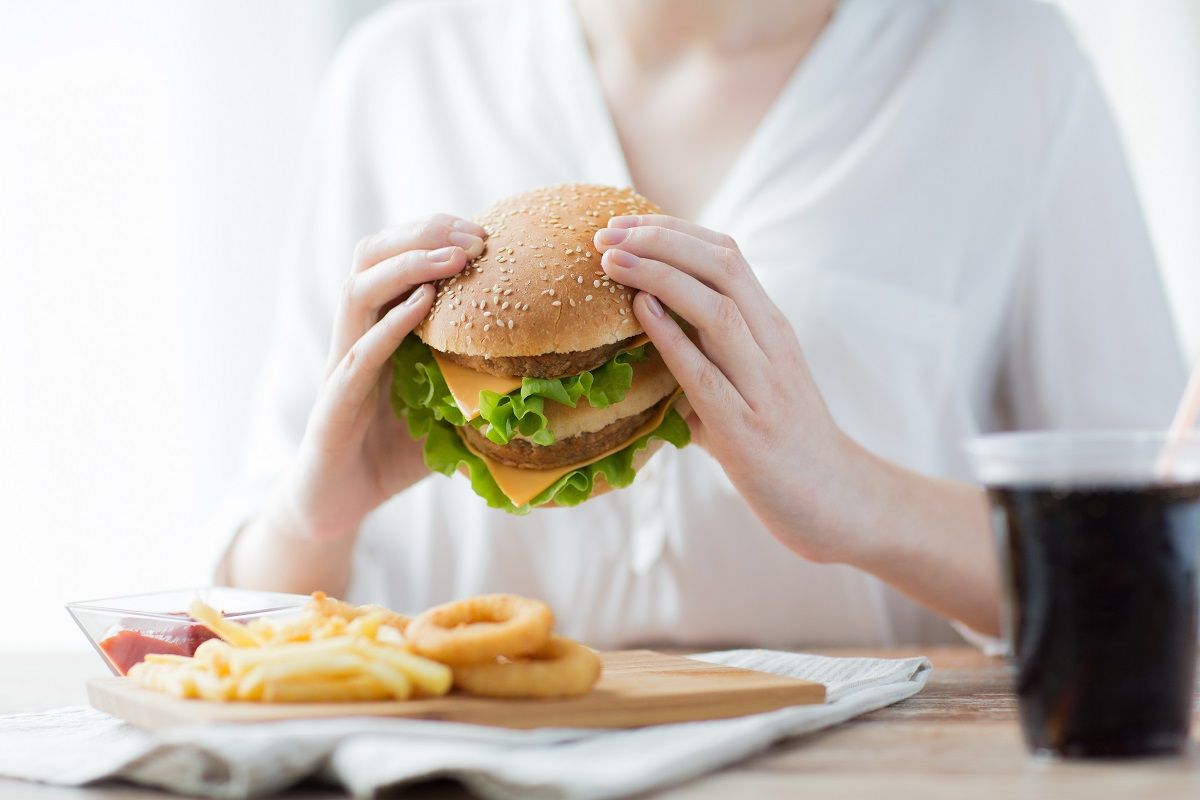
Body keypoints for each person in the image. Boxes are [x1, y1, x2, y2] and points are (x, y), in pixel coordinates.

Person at [217, 0, 1185, 648]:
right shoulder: (403, 69)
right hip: (476, 763)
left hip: (875, 772)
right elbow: (247, 608)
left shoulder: (1002, 58)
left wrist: (854, 495)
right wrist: (317, 513)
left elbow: (1157, 574)